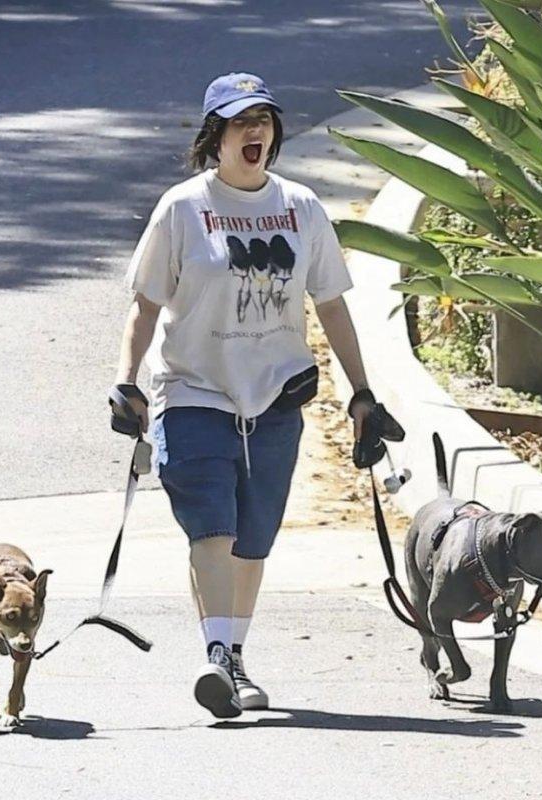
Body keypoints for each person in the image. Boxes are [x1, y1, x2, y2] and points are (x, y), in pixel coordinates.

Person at [113, 72, 396, 719]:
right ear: (215, 136)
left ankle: (234, 655)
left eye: (263, 120)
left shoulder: (302, 207)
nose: (255, 131)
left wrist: (362, 393)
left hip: (274, 399)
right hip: (193, 392)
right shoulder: (183, 209)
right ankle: (217, 656)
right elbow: (145, 305)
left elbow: (331, 305)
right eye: (241, 121)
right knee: (211, 525)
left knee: (252, 540)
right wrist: (126, 382)